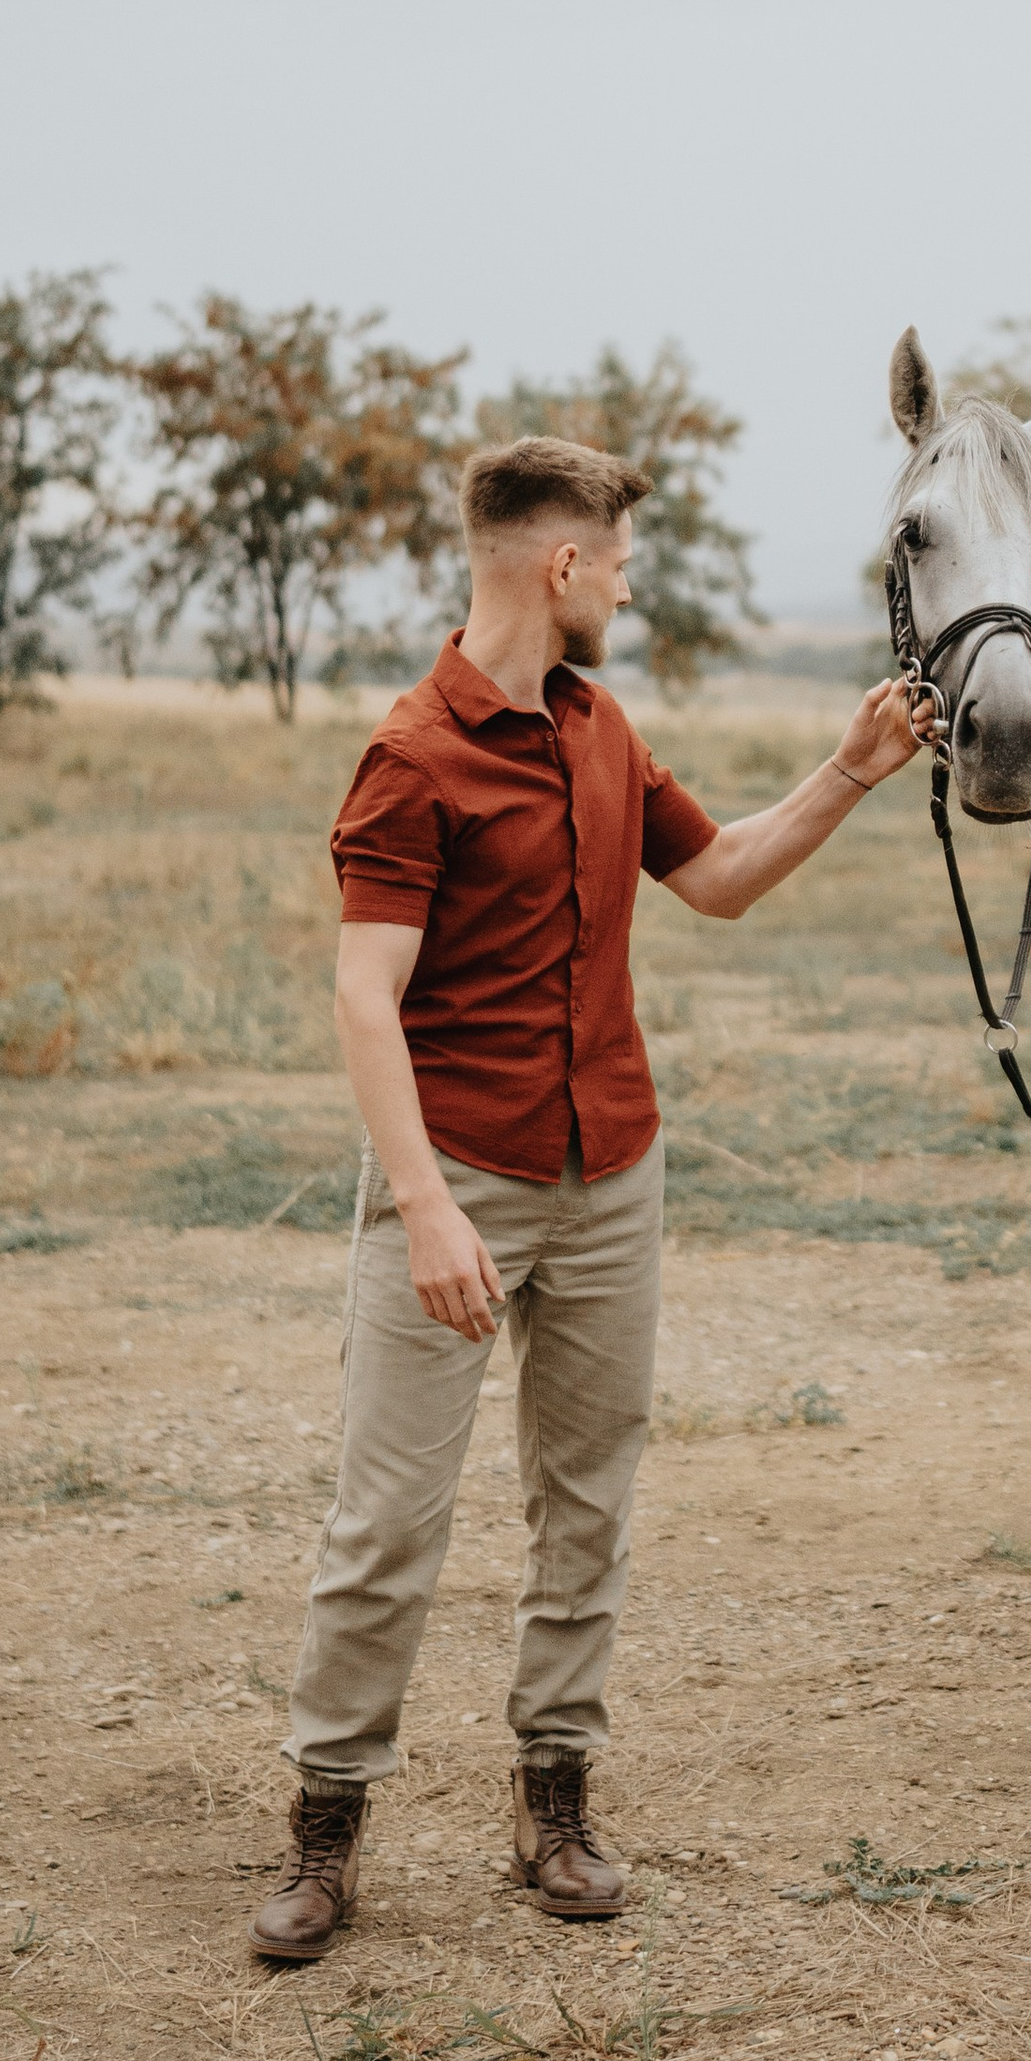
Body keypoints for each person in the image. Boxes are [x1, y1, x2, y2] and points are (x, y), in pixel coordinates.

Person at [248, 436, 921, 1966]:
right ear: (563, 569)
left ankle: (554, 1805)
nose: (626, 586)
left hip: (612, 1170)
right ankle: (325, 1830)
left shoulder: (604, 730)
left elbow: (725, 876)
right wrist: (424, 1208)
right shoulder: (411, 756)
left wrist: (852, 770)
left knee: (586, 1502)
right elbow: (366, 1002)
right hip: (460, 1176)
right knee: (388, 1519)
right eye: (616, 563)